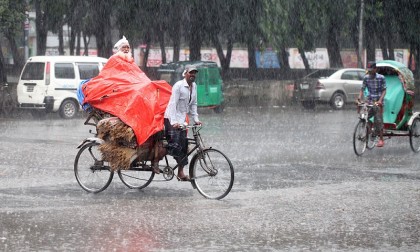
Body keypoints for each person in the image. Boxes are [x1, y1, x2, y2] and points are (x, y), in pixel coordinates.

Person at [164, 65, 202, 181]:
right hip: (171, 118)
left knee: (184, 146)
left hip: (182, 120)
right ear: (185, 73)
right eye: (191, 73)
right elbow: (172, 104)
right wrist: (174, 121)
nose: (193, 75)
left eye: (194, 73)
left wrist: (196, 119)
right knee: (175, 145)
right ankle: (158, 158)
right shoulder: (178, 86)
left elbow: (193, 104)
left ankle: (180, 172)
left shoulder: (194, 86)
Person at [358, 62, 387, 147]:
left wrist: (380, 100)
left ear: (375, 69)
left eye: (371, 70)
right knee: (364, 116)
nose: (370, 72)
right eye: (369, 70)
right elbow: (362, 89)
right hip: (369, 101)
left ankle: (381, 139)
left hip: (378, 101)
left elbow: (384, 90)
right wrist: (359, 98)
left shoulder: (381, 78)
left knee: (378, 120)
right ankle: (369, 131)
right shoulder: (366, 78)